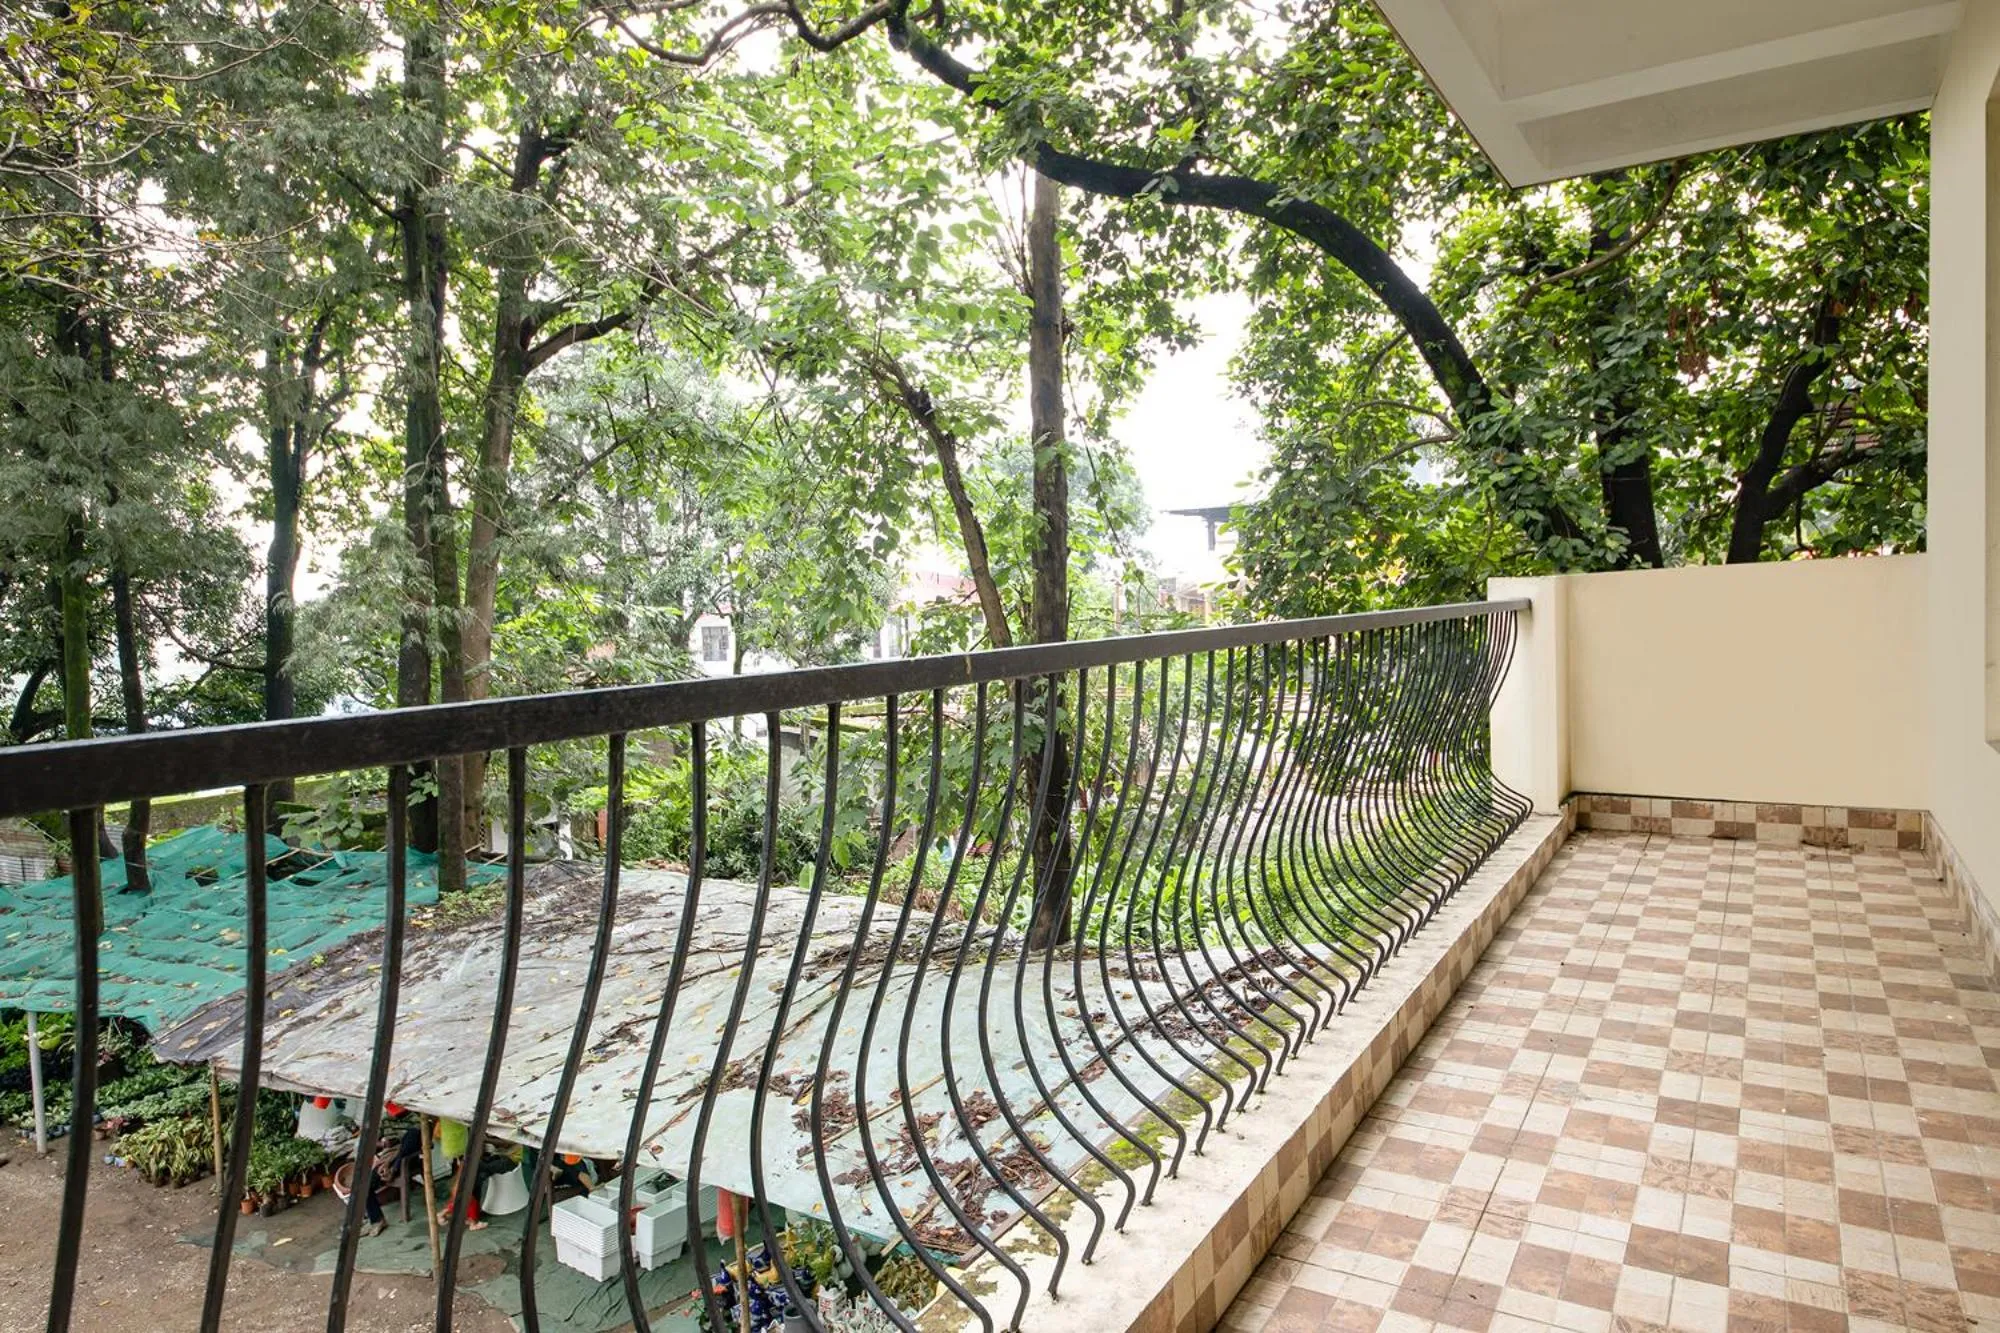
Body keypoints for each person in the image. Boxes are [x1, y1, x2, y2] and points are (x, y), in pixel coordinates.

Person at [360, 1124, 422, 1237]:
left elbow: (409, 1145)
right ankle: (376, 1219)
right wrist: (383, 1144)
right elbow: (375, 1141)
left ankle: (393, 1170)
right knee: (363, 1185)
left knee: (413, 1133)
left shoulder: (414, 1119)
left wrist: (393, 1167)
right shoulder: (386, 1119)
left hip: (405, 1160)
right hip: (387, 1159)